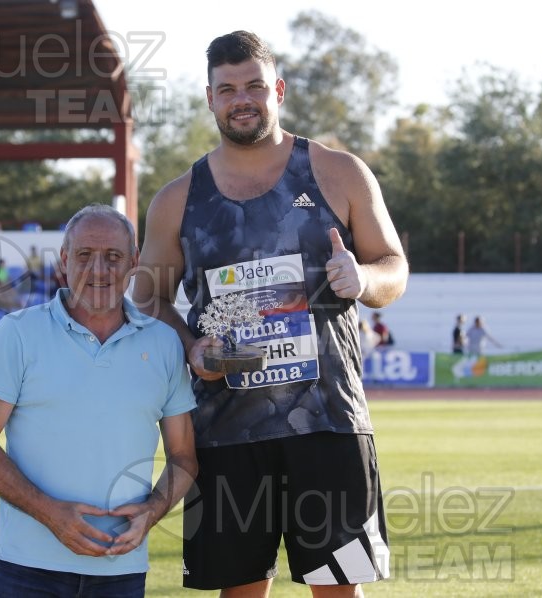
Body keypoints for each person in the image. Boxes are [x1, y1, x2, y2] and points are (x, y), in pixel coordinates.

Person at [132, 31, 409, 597]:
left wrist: (364, 278)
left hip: (329, 418)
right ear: (209, 98)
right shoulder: (177, 199)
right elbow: (147, 298)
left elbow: (394, 266)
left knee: (339, 586)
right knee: (240, 590)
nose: (242, 99)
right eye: (227, 88)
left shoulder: (339, 172)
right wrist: (190, 345)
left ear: (277, 90)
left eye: (255, 85)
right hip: (226, 428)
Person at [0, 204, 198, 598]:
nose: (99, 270)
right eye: (85, 256)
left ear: (134, 262)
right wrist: (51, 515)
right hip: (28, 568)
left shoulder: (163, 343)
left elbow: (184, 456)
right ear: (65, 261)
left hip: (121, 569)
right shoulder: (18, 333)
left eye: (114, 257)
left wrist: (153, 512)